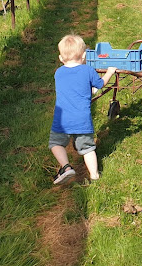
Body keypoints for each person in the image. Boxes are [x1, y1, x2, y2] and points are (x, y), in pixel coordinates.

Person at [49, 34, 116, 185]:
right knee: (87, 148)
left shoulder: (58, 73)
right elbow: (100, 84)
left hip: (62, 119)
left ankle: (66, 167)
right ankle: (94, 175)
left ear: (61, 58)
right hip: (82, 119)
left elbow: (71, 88)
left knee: (56, 144)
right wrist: (110, 72)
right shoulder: (88, 71)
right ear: (84, 55)